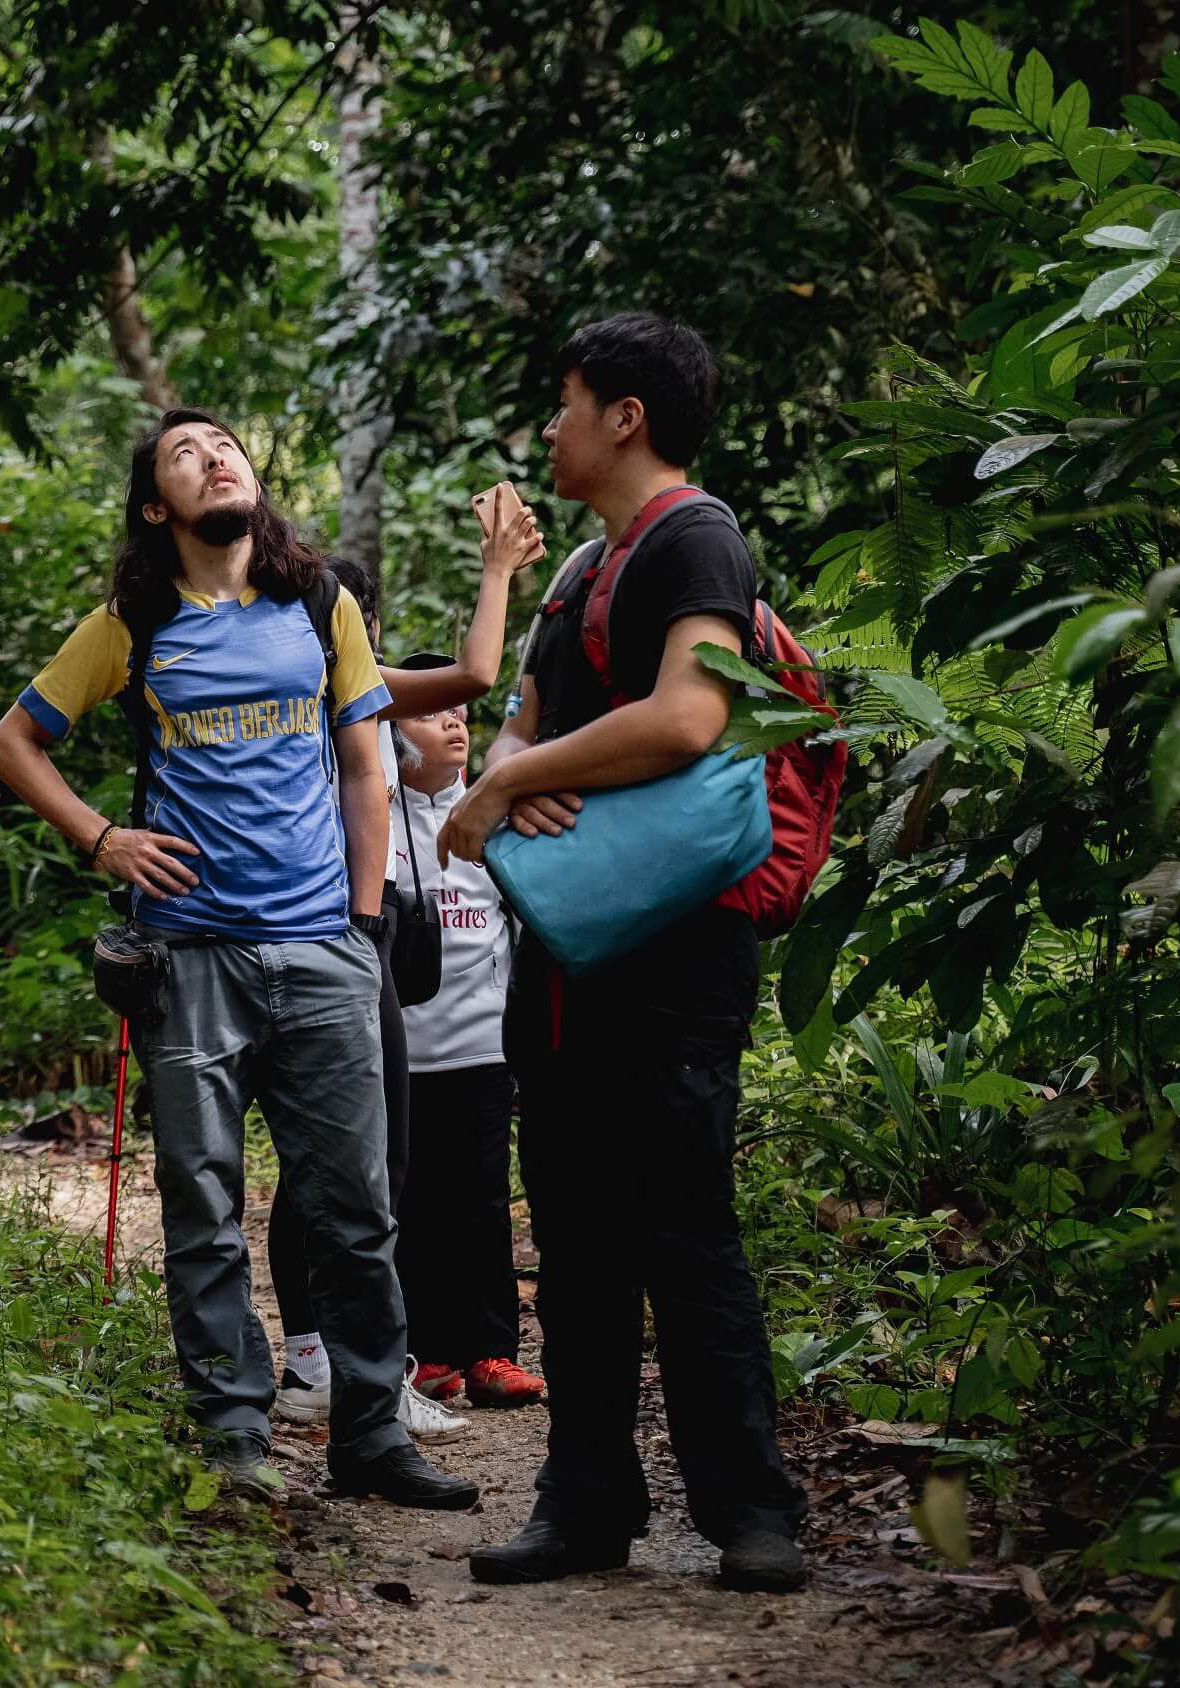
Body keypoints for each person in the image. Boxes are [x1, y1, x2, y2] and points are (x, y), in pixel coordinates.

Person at [0, 408, 476, 1509]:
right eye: (185, 454)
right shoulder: (135, 623)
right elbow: (13, 742)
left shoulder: (319, 605)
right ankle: (233, 1431)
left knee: (356, 1204)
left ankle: (371, 1432)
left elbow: (364, 760)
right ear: (159, 505)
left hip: (322, 951)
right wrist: (103, 837)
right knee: (202, 1202)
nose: (216, 458)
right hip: (189, 954)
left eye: (227, 446)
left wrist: (358, 918)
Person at [439, 313, 810, 1592]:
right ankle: (583, 1502)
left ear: (627, 417)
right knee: (583, 1240)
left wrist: (514, 783)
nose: (552, 426)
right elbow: (521, 729)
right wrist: (513, 773)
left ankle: (751, 1510)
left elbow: (692, 713)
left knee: (686, 1227)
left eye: (566, 401)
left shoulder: (697, 536)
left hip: (676, 956)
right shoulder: (574, 575)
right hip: (566, 961)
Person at [269, 520, 540, 1440]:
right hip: (320, 933)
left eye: (360, 625)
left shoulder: (363, 700)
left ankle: (366, 1366)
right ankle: (322, 1363)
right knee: (327, 1166)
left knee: (371, 1171)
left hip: (367, 939)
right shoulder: (283, 699)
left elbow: (469, 684)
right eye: (342, 622)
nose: (357, 642)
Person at [386, 680, 544, 1412]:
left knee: (480, 1203)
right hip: (401, 1050)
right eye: (428, 711)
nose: (453, 720)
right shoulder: (372, 811)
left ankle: (490, 1352)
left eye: (459, 710)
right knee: (412, 1203)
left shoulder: (498, 812)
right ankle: (426, 1353)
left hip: (482, 1047)